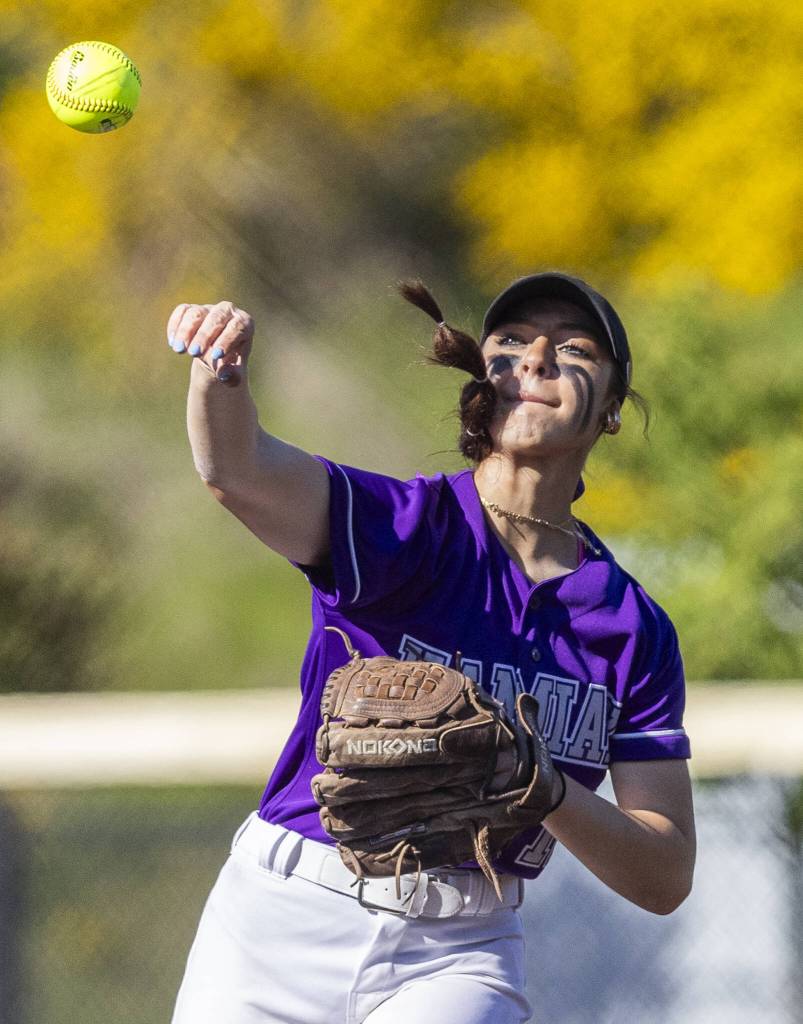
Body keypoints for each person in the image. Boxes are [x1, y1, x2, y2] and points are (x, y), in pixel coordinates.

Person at [167, 272, 696, 1024]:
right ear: (484, 382)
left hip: (457, 949)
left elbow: (664, 872)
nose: (537, 356)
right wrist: (218, 371)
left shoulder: (630, 627)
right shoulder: (404, 527)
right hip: (282, 917)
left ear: (611, 411)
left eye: (573, 347)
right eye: (511, 341)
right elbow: (237, 469)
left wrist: (540, 786)